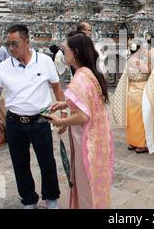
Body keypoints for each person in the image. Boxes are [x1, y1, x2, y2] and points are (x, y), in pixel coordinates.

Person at [0, 25, 65, 209]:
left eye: (15, 44)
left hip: (40, 121)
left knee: (47, 162)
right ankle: (29, 199)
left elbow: (56, 87)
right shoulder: (4, 67)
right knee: (20, 164)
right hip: (15, 122)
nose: (11, 48)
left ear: (27, 42)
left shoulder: (45, 61)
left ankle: (51, 197)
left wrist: (63, 115)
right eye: (8, 44)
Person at [48, 33, 114, 209]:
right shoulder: (89, 73)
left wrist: (61, 122)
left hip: (85, 138)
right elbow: (88, 102)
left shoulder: (79, 78)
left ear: (75, 52)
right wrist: (64, 103)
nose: (63, 53)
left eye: (65, 50)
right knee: (95, 180)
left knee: (86, 182)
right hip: (97, 135)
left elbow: (83, 116)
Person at [112, 41, 150, 154]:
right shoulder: (138, 61)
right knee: (140, 118)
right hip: (140, 90)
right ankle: (140, 144)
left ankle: (132, 142)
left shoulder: (129, 60)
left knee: (132, 117)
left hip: (131, 91)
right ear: (138, 49)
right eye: (142, 48)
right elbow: (147, 71)